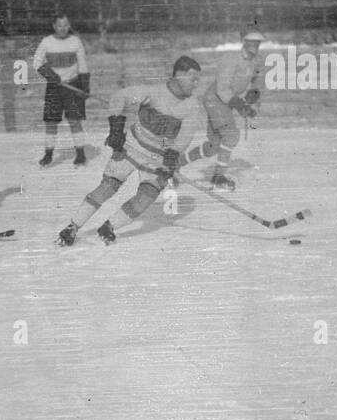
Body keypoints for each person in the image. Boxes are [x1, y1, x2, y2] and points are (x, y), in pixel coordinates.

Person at [56, 56, 207, 247]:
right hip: (131, 148)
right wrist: (116, 129)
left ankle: (109, 226)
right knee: (107, 188)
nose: (196, 85)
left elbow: (185, 136)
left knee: (146, 197)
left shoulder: (192, 105)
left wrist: (172, 155)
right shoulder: (153, 92)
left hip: (156, 159)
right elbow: (119, 98)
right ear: (179, 75)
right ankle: (72, 227)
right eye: (193, 79)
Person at [200, 29, 264, 189]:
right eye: (251, 42)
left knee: (213, 146)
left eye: (257, 43)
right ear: (244, 42)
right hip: (215, 99)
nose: (254, 46)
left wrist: (252, 103)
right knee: (231, 136)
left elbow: (255, 86)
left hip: (228, 102)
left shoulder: (256, 62)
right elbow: (222, 88)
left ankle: (177, 162)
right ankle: (218, 176)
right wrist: (239, 104)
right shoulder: (231, 59)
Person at [32, 14, 91, 166]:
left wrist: (85, 87)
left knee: (74, 121)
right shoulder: (47, 42)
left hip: (73, 85)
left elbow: (82, 64)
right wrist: (51, 76)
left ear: (69, 25)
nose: (63, 28)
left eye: (66, 25)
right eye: (60, 25)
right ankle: (48, 155)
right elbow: (37, 62)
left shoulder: (75, 41)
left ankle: (80, 154)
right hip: (54, 88)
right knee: (51, 123)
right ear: (54, 26)